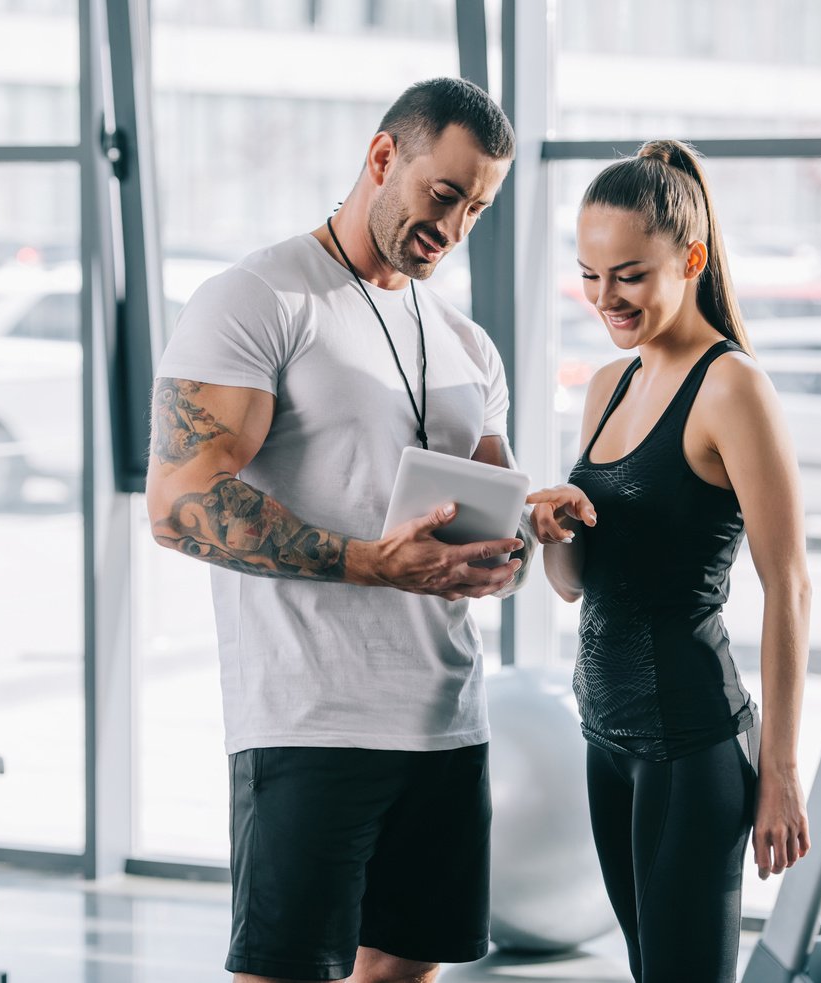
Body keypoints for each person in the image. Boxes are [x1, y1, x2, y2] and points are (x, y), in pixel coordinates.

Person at [146, 77, 528, 983]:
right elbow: (177, 501)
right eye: (444, 194)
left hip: (444, 719)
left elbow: (490, 512)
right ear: (383, 156)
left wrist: (506, 551)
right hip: (311, 719)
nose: (455, 225)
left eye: (477, 208)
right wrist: (368, 562)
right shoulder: (260, 297)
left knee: (408, 967)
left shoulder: (466, 342)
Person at [526, 139, 812, 983]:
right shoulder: (606, 385)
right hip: (604, 733)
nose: (605, 297)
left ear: (690, 259)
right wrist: (555, 531)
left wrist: (782, 772)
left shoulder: (732, 387)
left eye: (630, 275)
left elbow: (788, 583)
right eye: (590, 274)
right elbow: (581, 588)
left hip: (692, 744)